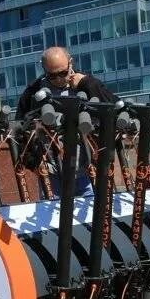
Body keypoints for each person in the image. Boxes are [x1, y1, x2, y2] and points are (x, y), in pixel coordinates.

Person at [15, 47, 118, 196]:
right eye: (52, 75)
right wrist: (32, 164)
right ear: (44, 69)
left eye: (62, 73)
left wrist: (86, 83)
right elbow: (20, 128)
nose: (58, 79)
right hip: (51, 174)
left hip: (85, 171)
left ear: (71, 63)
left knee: (91, 216)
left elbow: (114, 106)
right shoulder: (33, 92)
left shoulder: (86, 83)